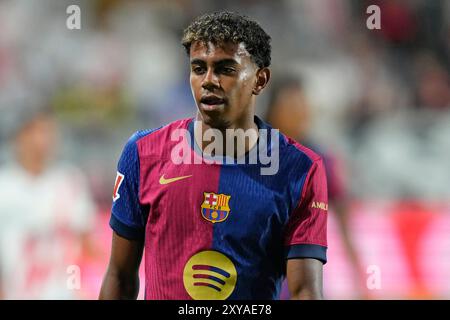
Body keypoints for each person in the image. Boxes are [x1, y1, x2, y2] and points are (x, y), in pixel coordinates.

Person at [99, 11, 328, 300]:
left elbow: (305, 291)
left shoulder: (301, 170)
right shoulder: (143, 153)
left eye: (225, 69)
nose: (208, 80)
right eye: (198, 68)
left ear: (260, 79)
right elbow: (120, 276)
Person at [265, 76, 367, 299]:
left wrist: (361, 280)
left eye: (303, 106)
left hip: (305, 274)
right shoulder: (251, 155)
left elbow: (344, 221)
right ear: (274, 111)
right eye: (291, 107)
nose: (300, 113)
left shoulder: (321, 160)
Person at [0, 107, 97, 299]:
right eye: (38, 131)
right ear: (20, 137)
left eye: (50, 132)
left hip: (66, 292)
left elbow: (87, 244)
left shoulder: (70, 181)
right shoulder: (4, 186)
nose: (45, 140)